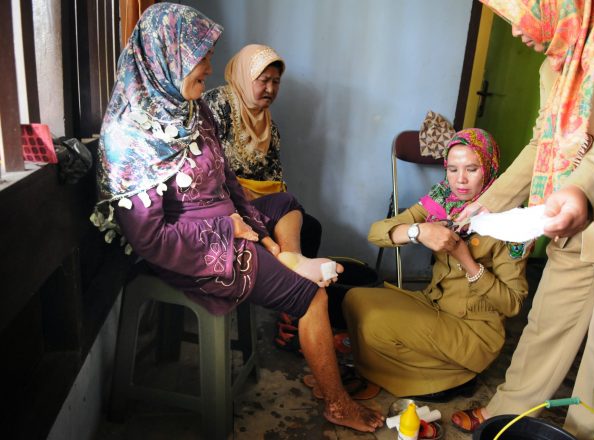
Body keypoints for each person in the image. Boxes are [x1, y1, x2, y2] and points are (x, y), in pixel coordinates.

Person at [91, 3, 384, 432]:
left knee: (287, 205)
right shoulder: (130, 137)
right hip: (191, 249)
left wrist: (263, 238)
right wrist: (227, 229)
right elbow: (150, 238)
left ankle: (289, 259)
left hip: (230, 226)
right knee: (313, 297)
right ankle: (337, 403)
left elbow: (228, 180)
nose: (210, 67)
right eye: (200, 56)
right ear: (165, 56)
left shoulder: (191, 110)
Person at [450, 1, 594, 438]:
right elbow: (542, 139)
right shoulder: (560, 60)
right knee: (545, 328)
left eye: (519, 13)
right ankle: (506, 417)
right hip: (571, 218)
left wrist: (583, 188)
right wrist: (491, 201)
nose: (515, 32)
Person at [342, 128, 530, 401]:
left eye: (472, 169)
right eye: (452, 169)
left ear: (489, 168)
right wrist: (418, 231)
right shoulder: (442, 200)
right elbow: (376, 232)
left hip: (474, 330)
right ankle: (416, 368)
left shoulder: (509, 221)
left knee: (375, 325)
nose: (460, 180)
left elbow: (512, 303)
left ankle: (449, 378)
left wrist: (463, 256)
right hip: (435, 305)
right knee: (353, 298)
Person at [203, 44, 322, 261]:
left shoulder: (270, 127)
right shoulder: (216, 105)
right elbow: (204, 163)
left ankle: (295, 281)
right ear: (244, 77)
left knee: (311, 227)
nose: (270, 89)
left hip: (255, 203)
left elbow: (273, 178)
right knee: (286, 207)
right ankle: (293, 276)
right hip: (222, 202)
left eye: (276, 82)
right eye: (263, 80)